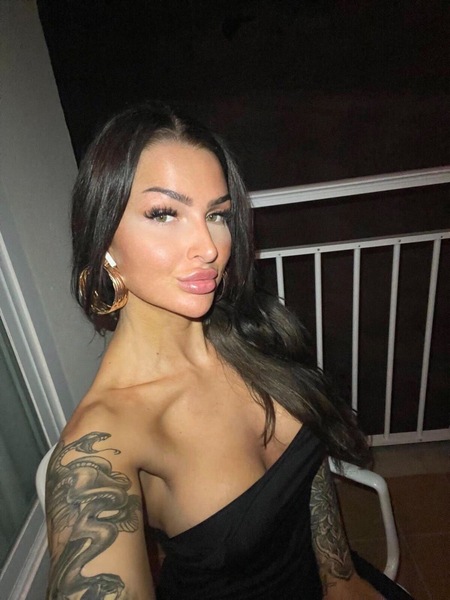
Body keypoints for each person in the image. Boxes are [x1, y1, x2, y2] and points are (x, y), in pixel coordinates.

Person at [45, 103, 409, 600]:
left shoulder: (253, 334)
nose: (209, 247)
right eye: (164, 213)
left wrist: (339, 576)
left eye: (216, 214)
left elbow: (306, 469)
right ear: (103, 236)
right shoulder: (101, 447)